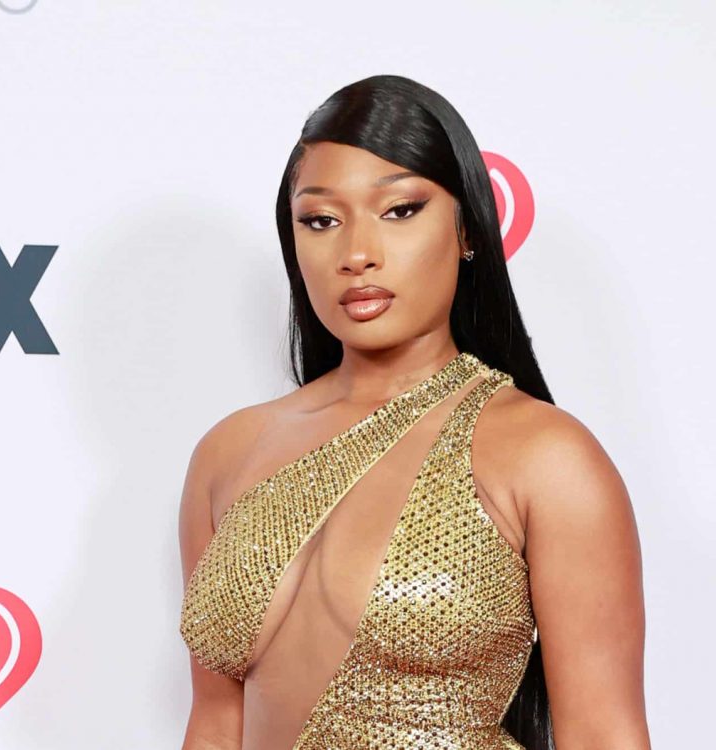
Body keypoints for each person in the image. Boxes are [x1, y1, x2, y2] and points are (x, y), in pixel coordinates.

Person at [177, 74, 651, 750]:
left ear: (468, 230)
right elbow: (216, 722)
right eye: (321, 220)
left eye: (399, 210)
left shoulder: (545, 457)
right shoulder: (228, 452)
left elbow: (603, 734)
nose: (356, 255)